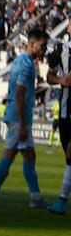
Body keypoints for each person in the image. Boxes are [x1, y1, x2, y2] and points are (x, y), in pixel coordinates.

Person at [0, 30, 48, 207]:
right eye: (42, 46)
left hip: (15, 114)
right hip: (19, 117)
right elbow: (19, 94)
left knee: (23, 155)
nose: (44, 50)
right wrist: (23, 125)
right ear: (32, 44)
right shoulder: (27, 64)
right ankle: (32, 198)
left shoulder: (19, 60)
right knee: (15, 156)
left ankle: (32, 197)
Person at [46, 32, 71, 215]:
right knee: (68, 157)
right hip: (64, 113)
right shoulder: (60, 49)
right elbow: (49, 76)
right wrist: (61, 80)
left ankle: (62, 200)